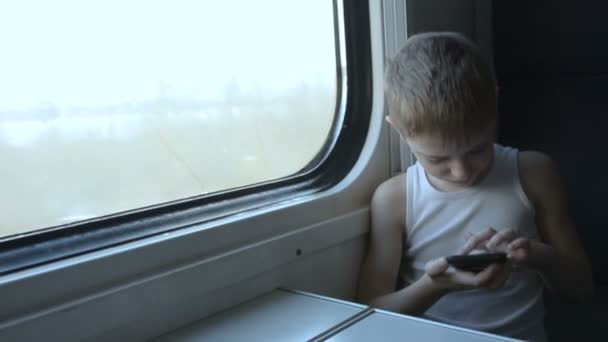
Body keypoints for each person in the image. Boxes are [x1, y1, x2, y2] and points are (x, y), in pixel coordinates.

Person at [356, 32, 593, 341]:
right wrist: (434, 286)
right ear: (398, 131)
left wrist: (537, 257)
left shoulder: (533, 173)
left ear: (495, 105)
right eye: (437, 159)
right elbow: (367, 312)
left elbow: (581, 288)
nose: (461, 171)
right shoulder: (394, 198)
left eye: (478, 149)